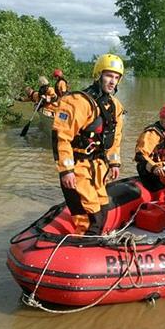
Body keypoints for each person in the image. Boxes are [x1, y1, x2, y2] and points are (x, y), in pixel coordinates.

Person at [52, 54, 125, 237]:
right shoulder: (78, 102)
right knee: (90, 217)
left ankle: (92, 243)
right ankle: (80, 246)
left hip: (98, 167)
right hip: (78, 168)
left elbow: (115, 139)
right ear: (98, 75)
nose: (112, 81)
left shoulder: (115, 106)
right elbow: (62, 137)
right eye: (109, 76)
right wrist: (66, 170)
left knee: (103, 209)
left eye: (116, 78)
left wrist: (114, 163)